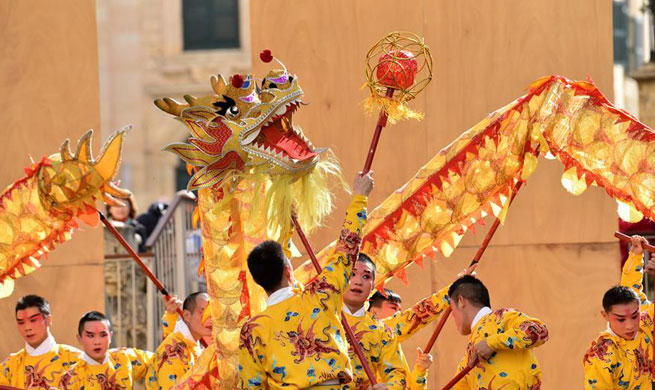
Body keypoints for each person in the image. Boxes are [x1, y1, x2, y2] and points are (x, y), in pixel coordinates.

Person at [238, 172, 374, 390]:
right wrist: (360, 197)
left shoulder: (252, 330)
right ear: (288, 270)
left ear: (258, 281)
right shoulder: (320, 294)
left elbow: (251, 387)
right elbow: (347, 248)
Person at [448, 275, 548, 389]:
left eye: (452, 309)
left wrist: (491, 343)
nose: (453, 316)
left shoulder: (501, 317)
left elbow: (539, 330)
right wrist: (422, 374)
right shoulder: (468, 359)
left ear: (461, 301)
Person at [583, 235, 655, 389]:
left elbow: (631, 287)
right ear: (605, 315)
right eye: (621, 320)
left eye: (634, 316)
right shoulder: (602, 352)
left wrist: (636, 255)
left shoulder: (645, 322)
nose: (630, 326)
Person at [340, 253, 406, 390]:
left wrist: (389, 387)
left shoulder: (382, 331)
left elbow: (396, 374)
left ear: (373, 286)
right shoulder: (320, 317)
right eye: (352, 274)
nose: (358, 281)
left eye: (366, 276)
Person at [0, 295, 82, 388]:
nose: (27, 327)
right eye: (21, 322)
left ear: (48, 320)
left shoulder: (77, 360)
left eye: (33, 320)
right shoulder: (8, 367)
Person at [58, 311, 153, 390]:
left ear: (110, 337)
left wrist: (168, 318)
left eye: (103, 335)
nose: (97, 341)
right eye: (91, 336)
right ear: (79, 339)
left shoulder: (124, 358)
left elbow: (159, 360)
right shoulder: (71, 377)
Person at [368, 288, 435, 390]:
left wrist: (420, 371)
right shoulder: (377, 331)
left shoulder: (392, 343)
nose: (399, 314)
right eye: (393, 308)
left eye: (400, 310)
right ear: (373, 313)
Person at [146, 291, 212, 390]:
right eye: (203, 311)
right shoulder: (174, 353)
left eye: (212, 311)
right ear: (186, 315)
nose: (210, 317)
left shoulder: (191, 344)